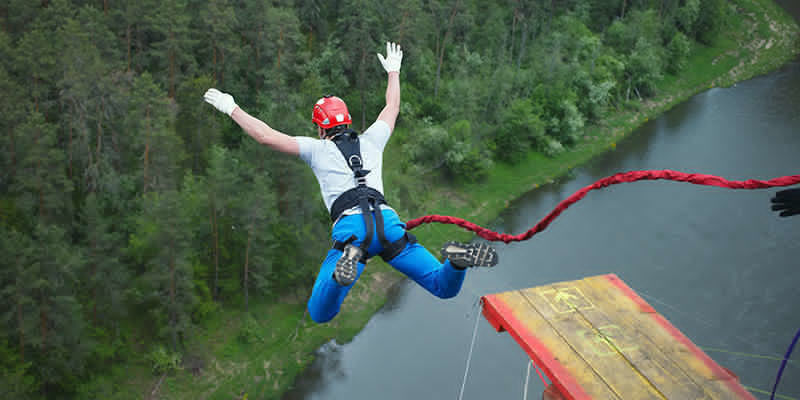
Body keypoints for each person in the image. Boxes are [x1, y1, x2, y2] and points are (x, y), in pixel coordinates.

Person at [203, 42, 498, 323]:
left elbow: (266, 136)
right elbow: (392, 107)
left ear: (321, 129)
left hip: (351, 232)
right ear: (347, 120)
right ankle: (456, 262)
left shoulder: (316, 149)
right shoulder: (372, 140)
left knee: (320, 312)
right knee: (443, 287)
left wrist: (232, 108)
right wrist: (393, 72)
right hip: (388, 223)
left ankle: (340, 273)